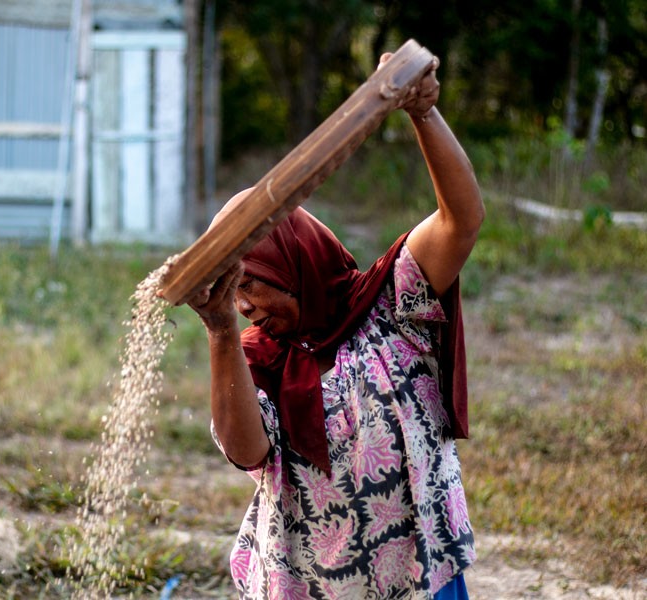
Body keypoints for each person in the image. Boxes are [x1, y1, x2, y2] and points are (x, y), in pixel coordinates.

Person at [186, 52, 485, 599]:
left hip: (418, 574)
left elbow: (460, 221)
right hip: (307, 584)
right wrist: (220, 331)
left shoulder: (389, 302)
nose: (244, 304)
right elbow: (246, 451)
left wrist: (423, 113)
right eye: (232, 292)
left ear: (292, 262)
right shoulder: (256, 357)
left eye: (250, 284)